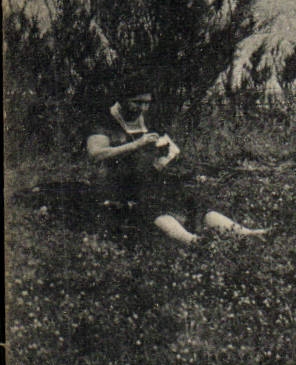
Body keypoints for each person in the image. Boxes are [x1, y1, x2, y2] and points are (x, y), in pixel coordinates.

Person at [86, 82, 266, 244]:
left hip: (148, 177)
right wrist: (136, 145)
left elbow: (165, 146)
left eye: (146, 103)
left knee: (191, 200)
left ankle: (243, 233)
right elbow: (96, 154)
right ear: (122, 99)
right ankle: (192, 241)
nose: (142, 108)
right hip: (117, 183)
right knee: (150, 203)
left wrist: (167, 156)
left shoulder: (146, 119)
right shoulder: (105, 121)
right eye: (137, 102)